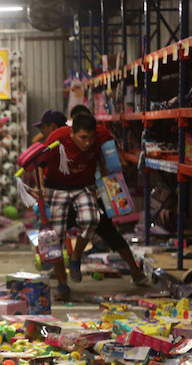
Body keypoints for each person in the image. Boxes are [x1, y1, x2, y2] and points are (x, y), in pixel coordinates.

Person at [68, 105, 149, 286]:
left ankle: (135, 272)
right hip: (77, 196)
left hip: (94, 195)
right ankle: (66, 268)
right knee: (107, 233)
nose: (87, 140)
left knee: (109, 233)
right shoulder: (70, 142)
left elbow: (117, 163)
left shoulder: (100, 139)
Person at [36, 113, 108, 301]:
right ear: (72, 133)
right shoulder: (57, 138)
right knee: (55, 237)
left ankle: (75, 257)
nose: (87, 143)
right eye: (83, 138)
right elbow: (39, 163)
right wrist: (40, 188)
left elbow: (110, 148)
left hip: (83, 186)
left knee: (92, 219)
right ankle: (62, 284)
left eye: (91, 138)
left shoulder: (101, 134)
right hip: (56, 187)